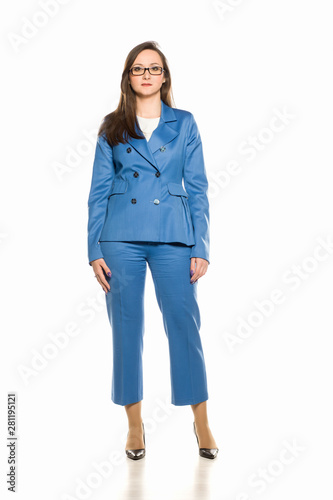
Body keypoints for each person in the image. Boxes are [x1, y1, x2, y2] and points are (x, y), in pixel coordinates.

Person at [87, 41, 219, 460]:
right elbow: (98, 193)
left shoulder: (185, 123)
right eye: (138, 69)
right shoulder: (112, 125)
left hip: (174, 235)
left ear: (165, 77)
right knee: (126, 329)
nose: (146, 75)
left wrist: (201, 245)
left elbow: (198, 188)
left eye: (154, 68)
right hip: (119, 236)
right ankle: (134, 425)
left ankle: (201, 422)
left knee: (184, 323)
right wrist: (94, 249)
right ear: (128, 77)